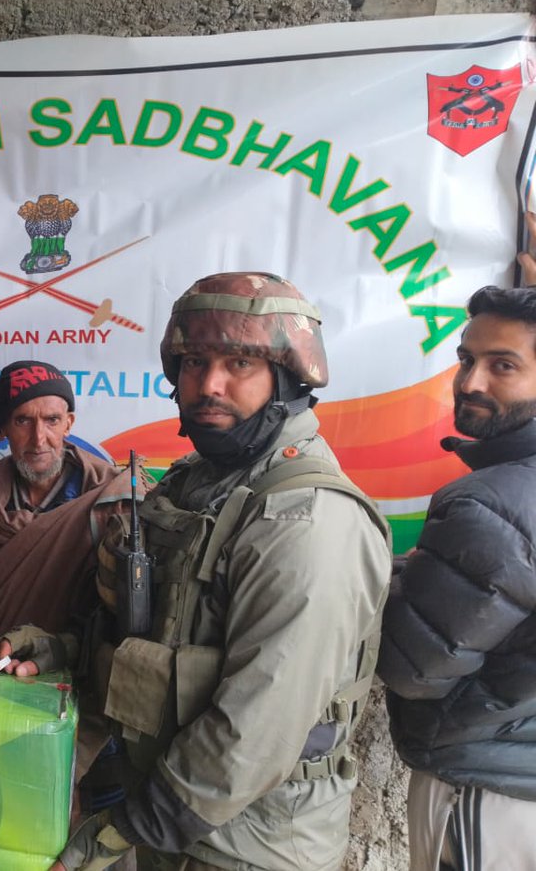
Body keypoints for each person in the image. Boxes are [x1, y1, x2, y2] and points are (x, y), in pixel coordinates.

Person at [38, 272, 392, 871]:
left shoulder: (307, 518)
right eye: (195, 362)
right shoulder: (200, 481)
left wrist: (126, 829)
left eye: (240, 363)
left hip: (248, 846)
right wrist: (58, 651)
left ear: (288, 378)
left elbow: (259, 725)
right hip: (172, 819)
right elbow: (162, 635)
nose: (209, 385)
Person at [378, 285, 536, 871]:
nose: (471, 382)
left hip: (485, 787)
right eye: (467, 359)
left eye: (504, 366)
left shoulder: (491, 503)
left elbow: (415, 667)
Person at [0, 359, 135, 657]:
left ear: (69, 423)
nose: (39, 439)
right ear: (2, 429)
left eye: (52, 420)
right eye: (23, 421)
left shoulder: (112, 496)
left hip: (83, 663)